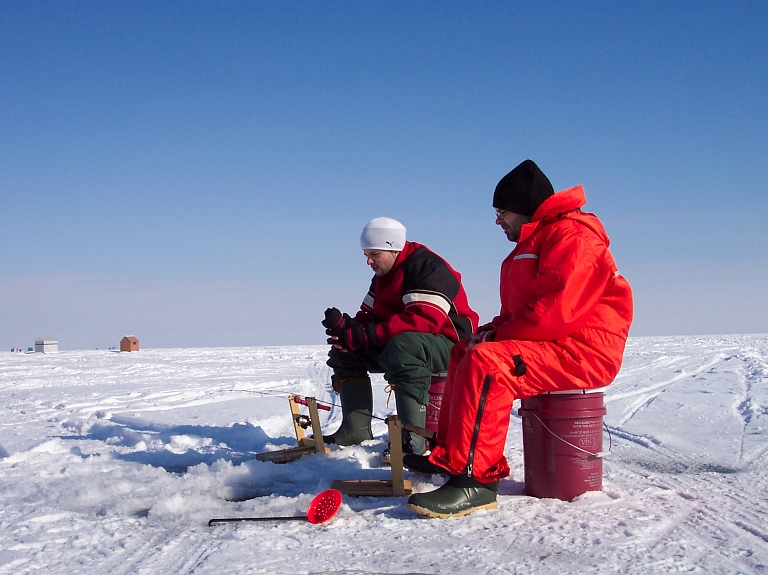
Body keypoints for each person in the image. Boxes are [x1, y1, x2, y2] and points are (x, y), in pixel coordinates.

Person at [405, 160, 633, 518]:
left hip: (582, 351)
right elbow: (523, 312)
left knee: (487, 364)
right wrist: (490, 332)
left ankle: (475, 481)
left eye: (502, 211)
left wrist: (497, 337)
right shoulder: (541, 238)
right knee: (465, 350)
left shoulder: (573, 237)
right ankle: (452, 456)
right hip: (553, 343)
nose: (498, 220)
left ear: (524, 207)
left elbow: (555, 312)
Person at [321, 217, 479, 459]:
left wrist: (367, 334)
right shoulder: (385, 273)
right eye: (366, 254)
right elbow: (370, 314)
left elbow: (424, 320)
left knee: (404, 347)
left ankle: (412, 439)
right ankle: (355, 429)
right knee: (345, 351)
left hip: (452, 345)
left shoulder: (426, 267)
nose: (369, 261)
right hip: (411, 343)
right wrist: (348, 330)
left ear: (392, 247)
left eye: (374, 254)